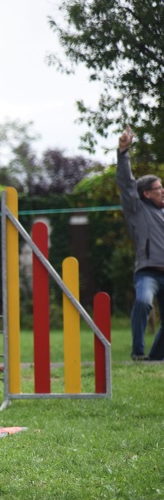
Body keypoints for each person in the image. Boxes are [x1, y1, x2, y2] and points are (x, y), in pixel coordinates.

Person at [116, 126, 164, 360]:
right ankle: (138, 353)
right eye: (159, 188)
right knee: (143, 302)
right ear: (146, 193)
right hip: (147, 273)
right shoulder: (137, 209)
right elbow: (126, 184)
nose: (163, 191)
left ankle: (155, 359)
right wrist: (123, 152)